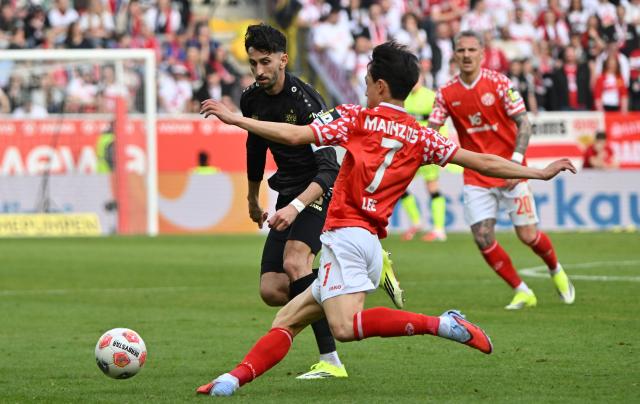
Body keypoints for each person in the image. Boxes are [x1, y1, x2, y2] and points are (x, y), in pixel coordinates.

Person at [197, 41, 576, 396]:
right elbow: (482, 160)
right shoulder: (422, 135)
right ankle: (230, 381)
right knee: (286, 320)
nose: (363, 89)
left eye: (366, 82)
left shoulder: (354, 118)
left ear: (380, 86)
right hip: (366, 242)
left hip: (346, 236)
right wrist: (538, 172)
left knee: (344, 328)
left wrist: (237, 120)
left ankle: (443, 324)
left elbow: (296, 135)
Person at [234, 23, 402, 380]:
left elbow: (329, 169)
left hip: (321, 190)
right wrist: (252, 199)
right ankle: (347, 280)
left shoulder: (306, 101)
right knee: (273, 289)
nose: (259, 71)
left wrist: (295, 206)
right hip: (287, 192)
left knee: (297, 261)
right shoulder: (251, 98)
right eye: (253, 64)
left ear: (284, 59)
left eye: (266, 62)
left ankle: (331, 361)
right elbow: (255, 147)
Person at [428, 30, 576, 310]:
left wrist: (517, 163)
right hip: (476, 175)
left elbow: (524, 123)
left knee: (528, 236)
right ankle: (522, 291)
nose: (467, 55)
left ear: (483, 54)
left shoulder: (499, 84)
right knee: (483, 237)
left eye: (472, 50)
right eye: (461, 51)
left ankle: (556, 270)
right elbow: (432, 130)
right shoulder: (446, 92)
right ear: (454, 55)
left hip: (511, 170)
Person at [399, 75, 449, 242]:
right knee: (399, 184)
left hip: (428, 149)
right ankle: (416, 222)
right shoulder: (403, 98)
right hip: (409, 149)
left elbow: (441, 123)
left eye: (416, 79)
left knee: (432, 186)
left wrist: (439, 147)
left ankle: (439, 229)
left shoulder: (430, 97)